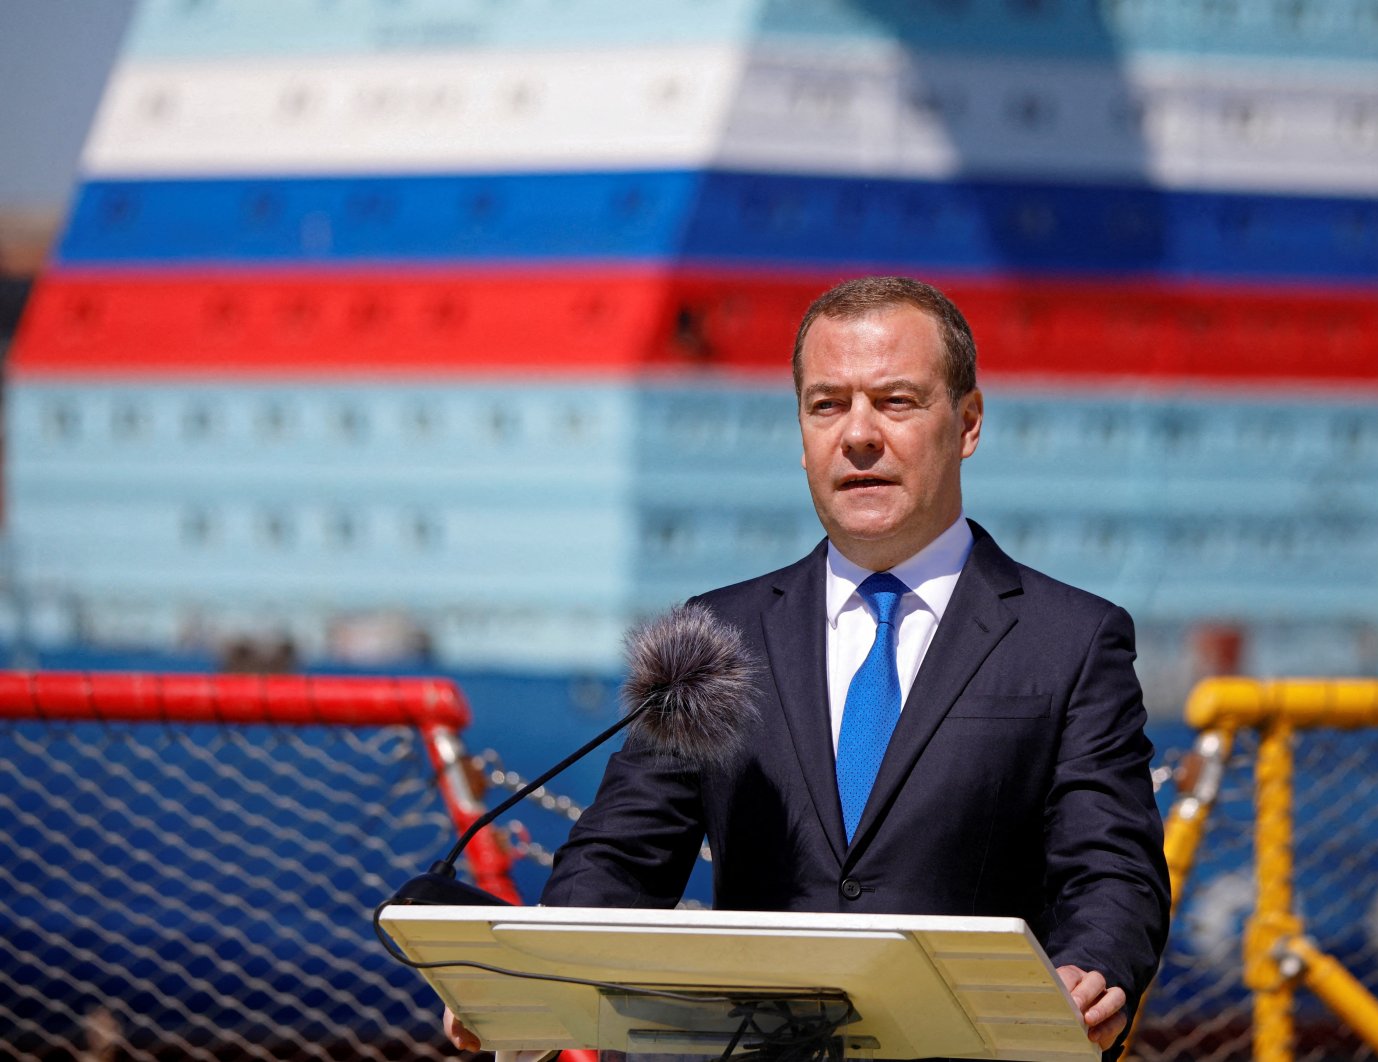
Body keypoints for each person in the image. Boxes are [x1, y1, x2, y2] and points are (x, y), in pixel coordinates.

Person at [446, 276, 1169, 1058]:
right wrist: (531, 979)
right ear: (801, 435)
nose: (858, 435)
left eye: (895, 402)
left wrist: (1094, 969)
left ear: (966, 423)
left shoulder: (1071, 640)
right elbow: (621, 854)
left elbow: (1112, 871)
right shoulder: (717, 634)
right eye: (827, 405)